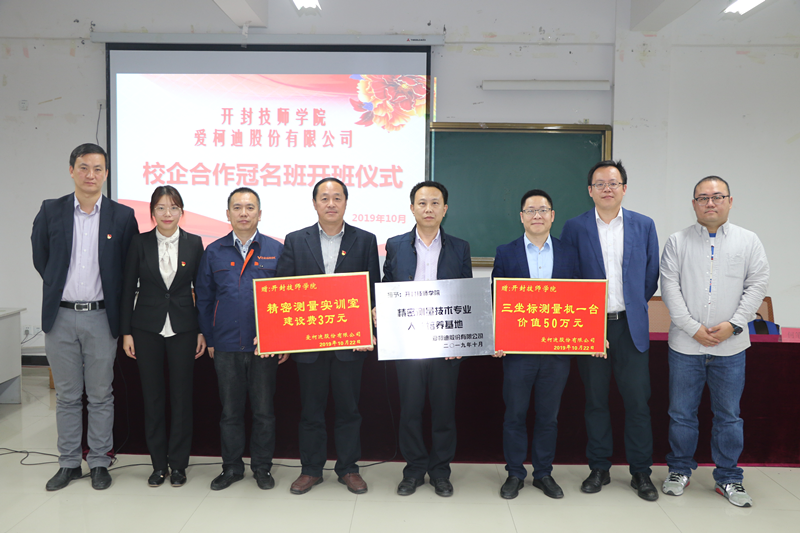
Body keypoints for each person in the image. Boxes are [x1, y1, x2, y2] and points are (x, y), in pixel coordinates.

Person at [31, 143, 139, 491]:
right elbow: (41, 257)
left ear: (106, 174)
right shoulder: (51, 210)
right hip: (60, 316)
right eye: (83, 167)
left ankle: (99, 461)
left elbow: (128, 269)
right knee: (66, 395)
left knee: (100, 394)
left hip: (101, 317)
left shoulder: (122, 216)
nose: (90, 175)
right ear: (71, 170)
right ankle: (68, 463)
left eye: (97, 169)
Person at [659, 176, 768, 507]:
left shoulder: (748, 241)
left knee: (729, 415)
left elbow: (757, 284)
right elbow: (669, 287)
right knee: (681, 413)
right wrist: (692, 328)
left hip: (730, 347)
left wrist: (733, 325)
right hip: (685, 345)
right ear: (693, 204)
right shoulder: (677, 242)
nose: (710, 203)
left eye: (717, 196)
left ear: (730, 201)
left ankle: (729, 477)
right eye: (702, 197)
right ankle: (679, 470)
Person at [560, 160, 660, 501]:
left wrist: (631, 304)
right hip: (590, 327)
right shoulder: (575, 227)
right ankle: (599, 467)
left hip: (630, 326)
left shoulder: (644, 225)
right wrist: (589, 321)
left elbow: (650, 275)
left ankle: (641, 472)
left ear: (624, 189)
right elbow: (569, 277)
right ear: (590, 190)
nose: (607, 188)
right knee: (595, 401)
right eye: (599, 183)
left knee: (638, 403)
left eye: (613, 183)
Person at [275, 177, 380, 495]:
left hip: (350, 343)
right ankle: (311, 470)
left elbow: (372, 291)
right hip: (308, 345)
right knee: (311, 411)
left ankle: (348, 468)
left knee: (349, 410)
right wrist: (281, 337)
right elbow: (283, 290)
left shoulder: (365, 240)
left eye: (337, 197)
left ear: (346, 202)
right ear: (314, 203)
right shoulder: (296, 240)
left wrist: (369, 327)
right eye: (324, 198)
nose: (331, 203)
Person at [381, 181, 472, 498]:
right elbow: (388, 285)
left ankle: (441, 472)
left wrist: (459, 341)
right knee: (411, 410)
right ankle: (414, 470)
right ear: (412, 208)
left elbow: (466, 294)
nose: (428, 208)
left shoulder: (460, 247)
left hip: (445, 342)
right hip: (408, 342)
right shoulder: (395, 245)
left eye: (435, 203)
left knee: (444, 411)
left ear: (445, 209)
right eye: (422, 203)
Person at [491, 189, 580, 500]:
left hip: (557, 352)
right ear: (521, 217)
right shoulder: (506, 252)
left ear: (553, 216)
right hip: (517, 353)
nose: (537, 215)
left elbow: (581, 299)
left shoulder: (570, 253)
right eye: (530, 210)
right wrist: (498, 336)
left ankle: (543, 473)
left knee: (548, 417)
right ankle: (515, 473)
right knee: (515, 414)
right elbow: (497, 299)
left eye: (543, 210)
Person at [195, 187, 286, 491]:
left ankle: (262, 468)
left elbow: (287, 298)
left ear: (260, 213)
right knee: (230, 413)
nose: (243, 213)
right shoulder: (214, 251)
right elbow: (204, 298)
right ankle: (232, 468)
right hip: (226, 345)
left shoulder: (276, 249)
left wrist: (283, 340)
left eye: (249, 207)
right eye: (237, 207)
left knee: (264, 412)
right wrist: (210, 338)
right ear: (228, 214)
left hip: (265, 347)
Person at [120, 186, 206, 487]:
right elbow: (127, 288)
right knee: (153, 397)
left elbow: (202, 291)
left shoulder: (195, 243)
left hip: (184, 329)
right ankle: (158, 465)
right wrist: (126, 332)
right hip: (146, 329)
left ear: (182, 211)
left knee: (182, 398)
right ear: (152, 212)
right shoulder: (139, 242)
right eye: (161, 207)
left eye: (173, 207)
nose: (167, 214)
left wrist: (201, 331)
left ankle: (179, 465)